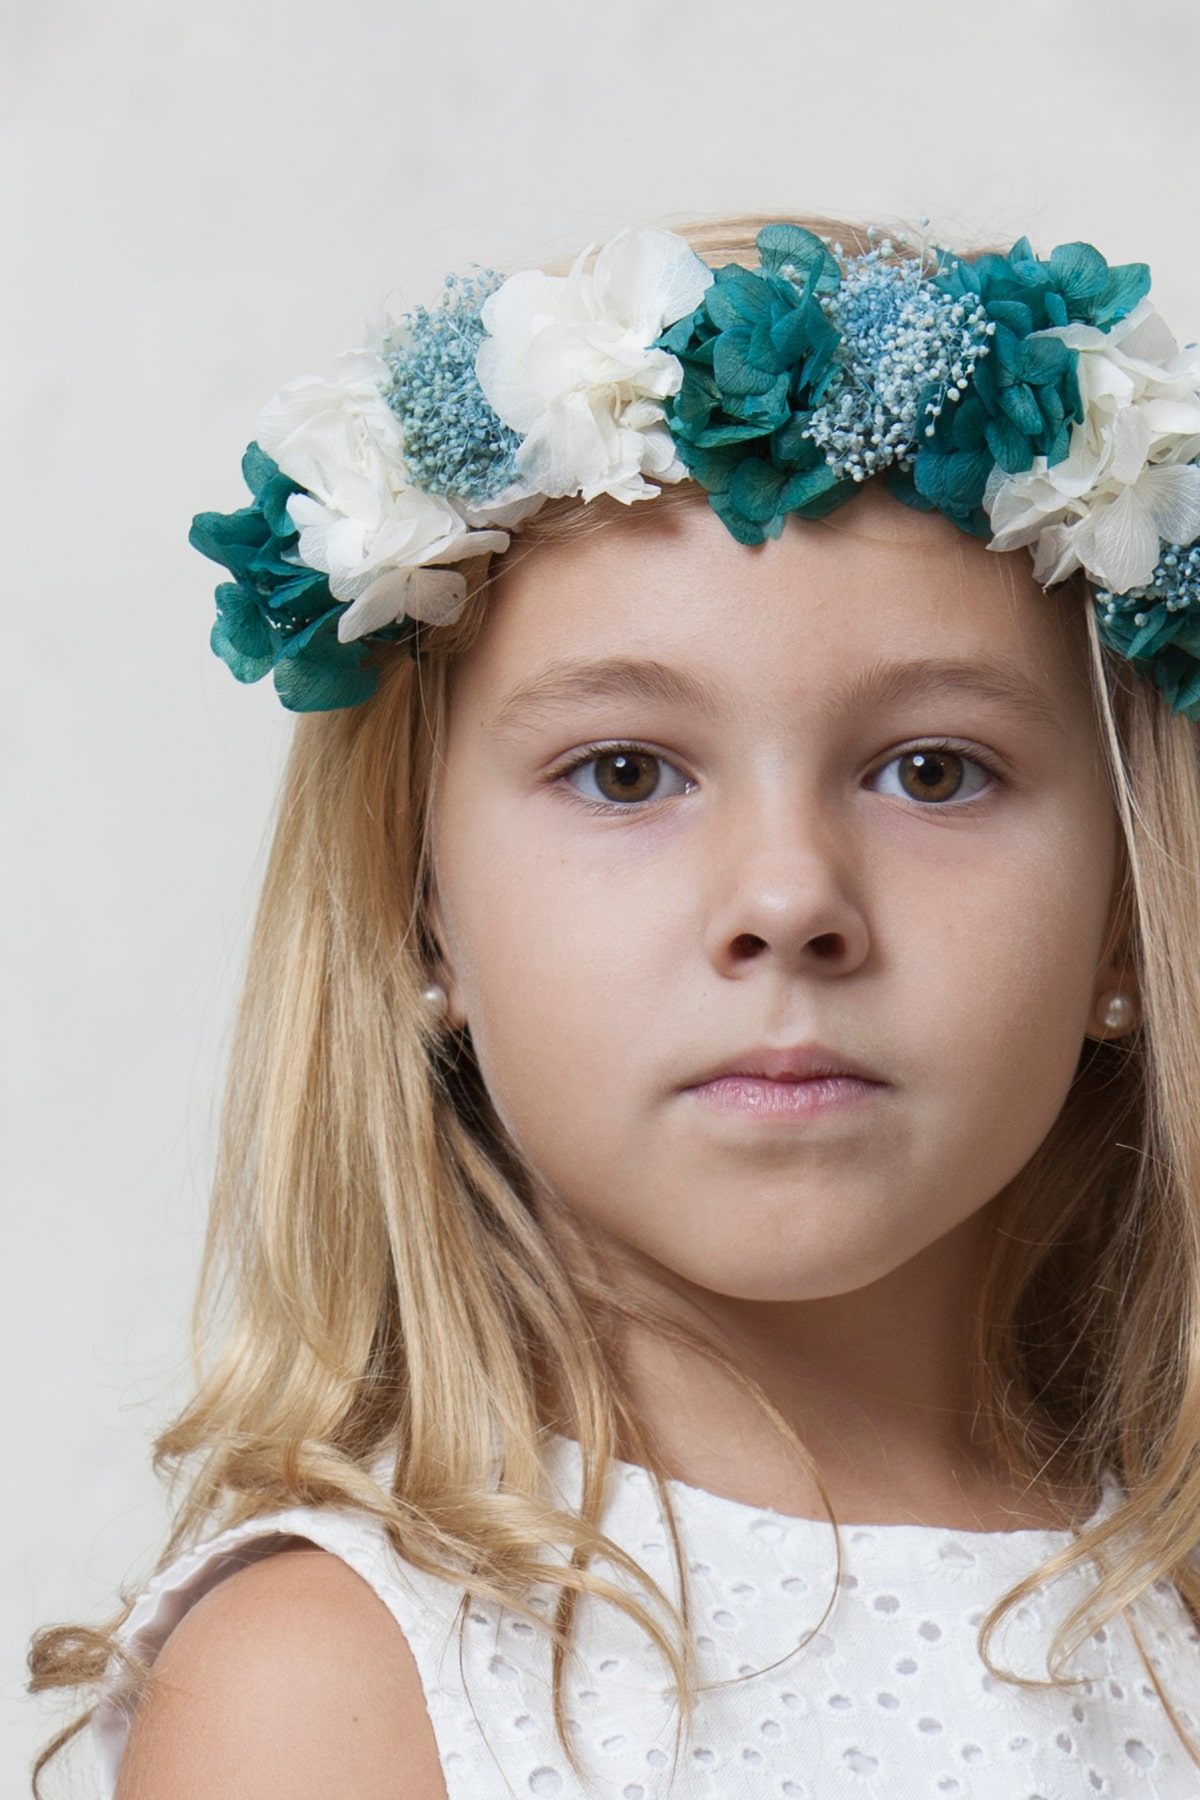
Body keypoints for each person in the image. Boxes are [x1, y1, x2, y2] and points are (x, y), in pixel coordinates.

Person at [27, 211, 1200, 1798]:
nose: (788, 900)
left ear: (1129, 912)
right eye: (626, 772)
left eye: (934, 771)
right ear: (418, 910)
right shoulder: (344, 1691)